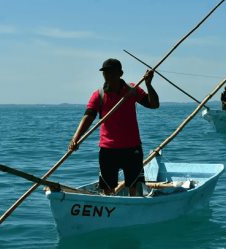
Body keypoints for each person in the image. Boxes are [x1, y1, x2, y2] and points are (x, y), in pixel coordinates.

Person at [68, 58, 160, 196]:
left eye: (112, 72)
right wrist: (76, 138)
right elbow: (88, 116)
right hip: (108, 149)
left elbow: (154, 104)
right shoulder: (99, 95)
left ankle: (134, 209)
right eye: (105, 73)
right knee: (107, 188)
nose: (108, 76)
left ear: (120, 73)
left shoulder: (133, 90)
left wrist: (148, 84)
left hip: (132, 148)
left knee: (135, 187)